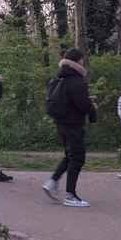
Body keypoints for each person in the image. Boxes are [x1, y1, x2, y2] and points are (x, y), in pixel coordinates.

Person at [42, 48, 97, 207]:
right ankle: (70, 195)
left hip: (61, 123)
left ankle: (52, 182)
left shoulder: (58, 79)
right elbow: (82, 104)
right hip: (74, 124)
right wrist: (93, 111)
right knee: (78, 157)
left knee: (69, 155)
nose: (83, 62)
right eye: (81, 59)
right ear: (77, 61)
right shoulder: (76, 80)